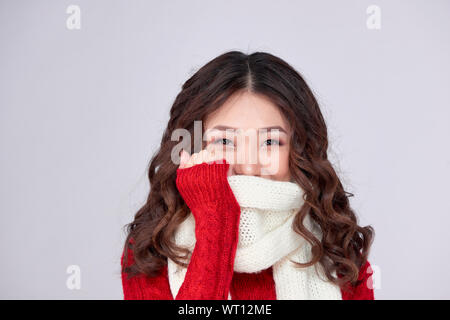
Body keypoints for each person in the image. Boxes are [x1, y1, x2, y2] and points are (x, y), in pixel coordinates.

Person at [120, 51, 375, 300]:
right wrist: (215, 219)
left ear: (299, 151)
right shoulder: (152, 252)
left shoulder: (339, 249)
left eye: (271, 142)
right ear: (193, 148)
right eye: (224, 141)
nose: (249, 166)